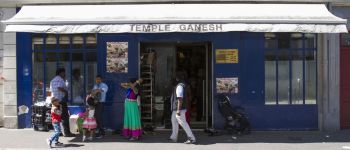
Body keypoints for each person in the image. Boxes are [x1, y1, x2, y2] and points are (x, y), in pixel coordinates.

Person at [169, 71, 196, 144]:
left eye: (175, 77)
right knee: (174, 121)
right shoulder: (182, 85)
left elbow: (180, 99)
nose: (173, 79)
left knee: (183, 122)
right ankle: (173, 137)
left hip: (179, 109)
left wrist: (178, 110)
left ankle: (191, 138)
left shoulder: (179, 86)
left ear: (177, 78)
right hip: (177, 108)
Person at [50, 68, 74, 137]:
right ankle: (67, 133)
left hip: (54, 101)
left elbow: (52, 90)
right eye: (64, 73)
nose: (64, 74)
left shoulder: (52, 80)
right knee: (65, 117)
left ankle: (58, 132)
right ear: (60, 73)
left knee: (56, 117)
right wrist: (66, 91)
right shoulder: (60, 79)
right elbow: (59, 87)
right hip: (61, 101)